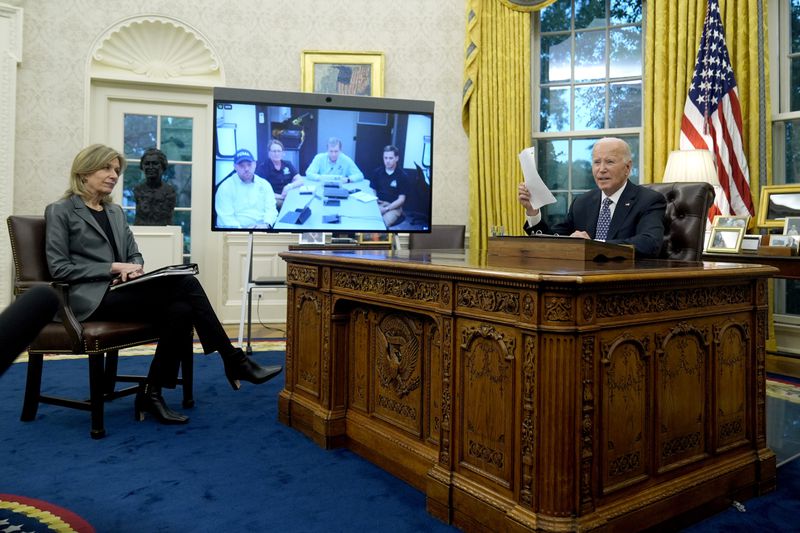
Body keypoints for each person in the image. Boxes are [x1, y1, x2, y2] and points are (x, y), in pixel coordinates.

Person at [45, 144, 282, 425]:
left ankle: (152, 392)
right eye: (106, 168)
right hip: (86, 300)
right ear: (84, 172)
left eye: (117, 170)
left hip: (118, 292)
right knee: (185, 283)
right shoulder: (61, 210)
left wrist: (134, 267)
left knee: (181, 310)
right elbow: (58, 268)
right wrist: (113, 267)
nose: (114, 175)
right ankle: (233, 360)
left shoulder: (115, 212)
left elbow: (133, 252)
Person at [517, 137, 666, 258]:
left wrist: (593, 245)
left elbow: (649, 243)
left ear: (627, 168)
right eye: (596, 162)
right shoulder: (582, 202)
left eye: (610, 162)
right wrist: (533, 211)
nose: (601, 169)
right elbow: (553, 240)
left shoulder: (649, 200)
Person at [215, 149, 278, 229]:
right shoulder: (225, 187)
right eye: (241, 165)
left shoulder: (264, 184)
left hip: (263, 228)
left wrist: (266, 224)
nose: (246, 169)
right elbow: (226, 218)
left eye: (249, 164)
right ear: (235, 167)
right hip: (236, 233)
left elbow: (271, 209)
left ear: (255, 164)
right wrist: (242, 231)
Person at [133, 148, 177, 225]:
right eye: (147, 164)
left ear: (163, 166)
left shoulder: (170, 191)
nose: (150, 167)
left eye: (155, 163)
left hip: (165, 234)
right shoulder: (138, 190)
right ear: (142, 167)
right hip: (141, 232)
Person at [370, 145, 409, 228]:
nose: (387, 161)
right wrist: (374, 201)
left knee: (380, 224)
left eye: (390, 158)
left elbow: (401, 200)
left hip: (394, 206)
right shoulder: (377, 172)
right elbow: (372, 189)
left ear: (396, 158)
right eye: (385, 158)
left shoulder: (402, 176)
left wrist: (386, 209)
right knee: (368, 219)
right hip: (378, 203)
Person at [258, 139, 303, 208]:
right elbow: (260, 190)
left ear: (283, 153)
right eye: (274, 151)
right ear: (269, 153)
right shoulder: (263, 167)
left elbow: (300, 180)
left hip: (289, 195)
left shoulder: (288, 164)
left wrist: (289, 186)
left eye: (279, 151)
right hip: (273, 198)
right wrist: (281, 196)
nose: (276, 154)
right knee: (287, 205)